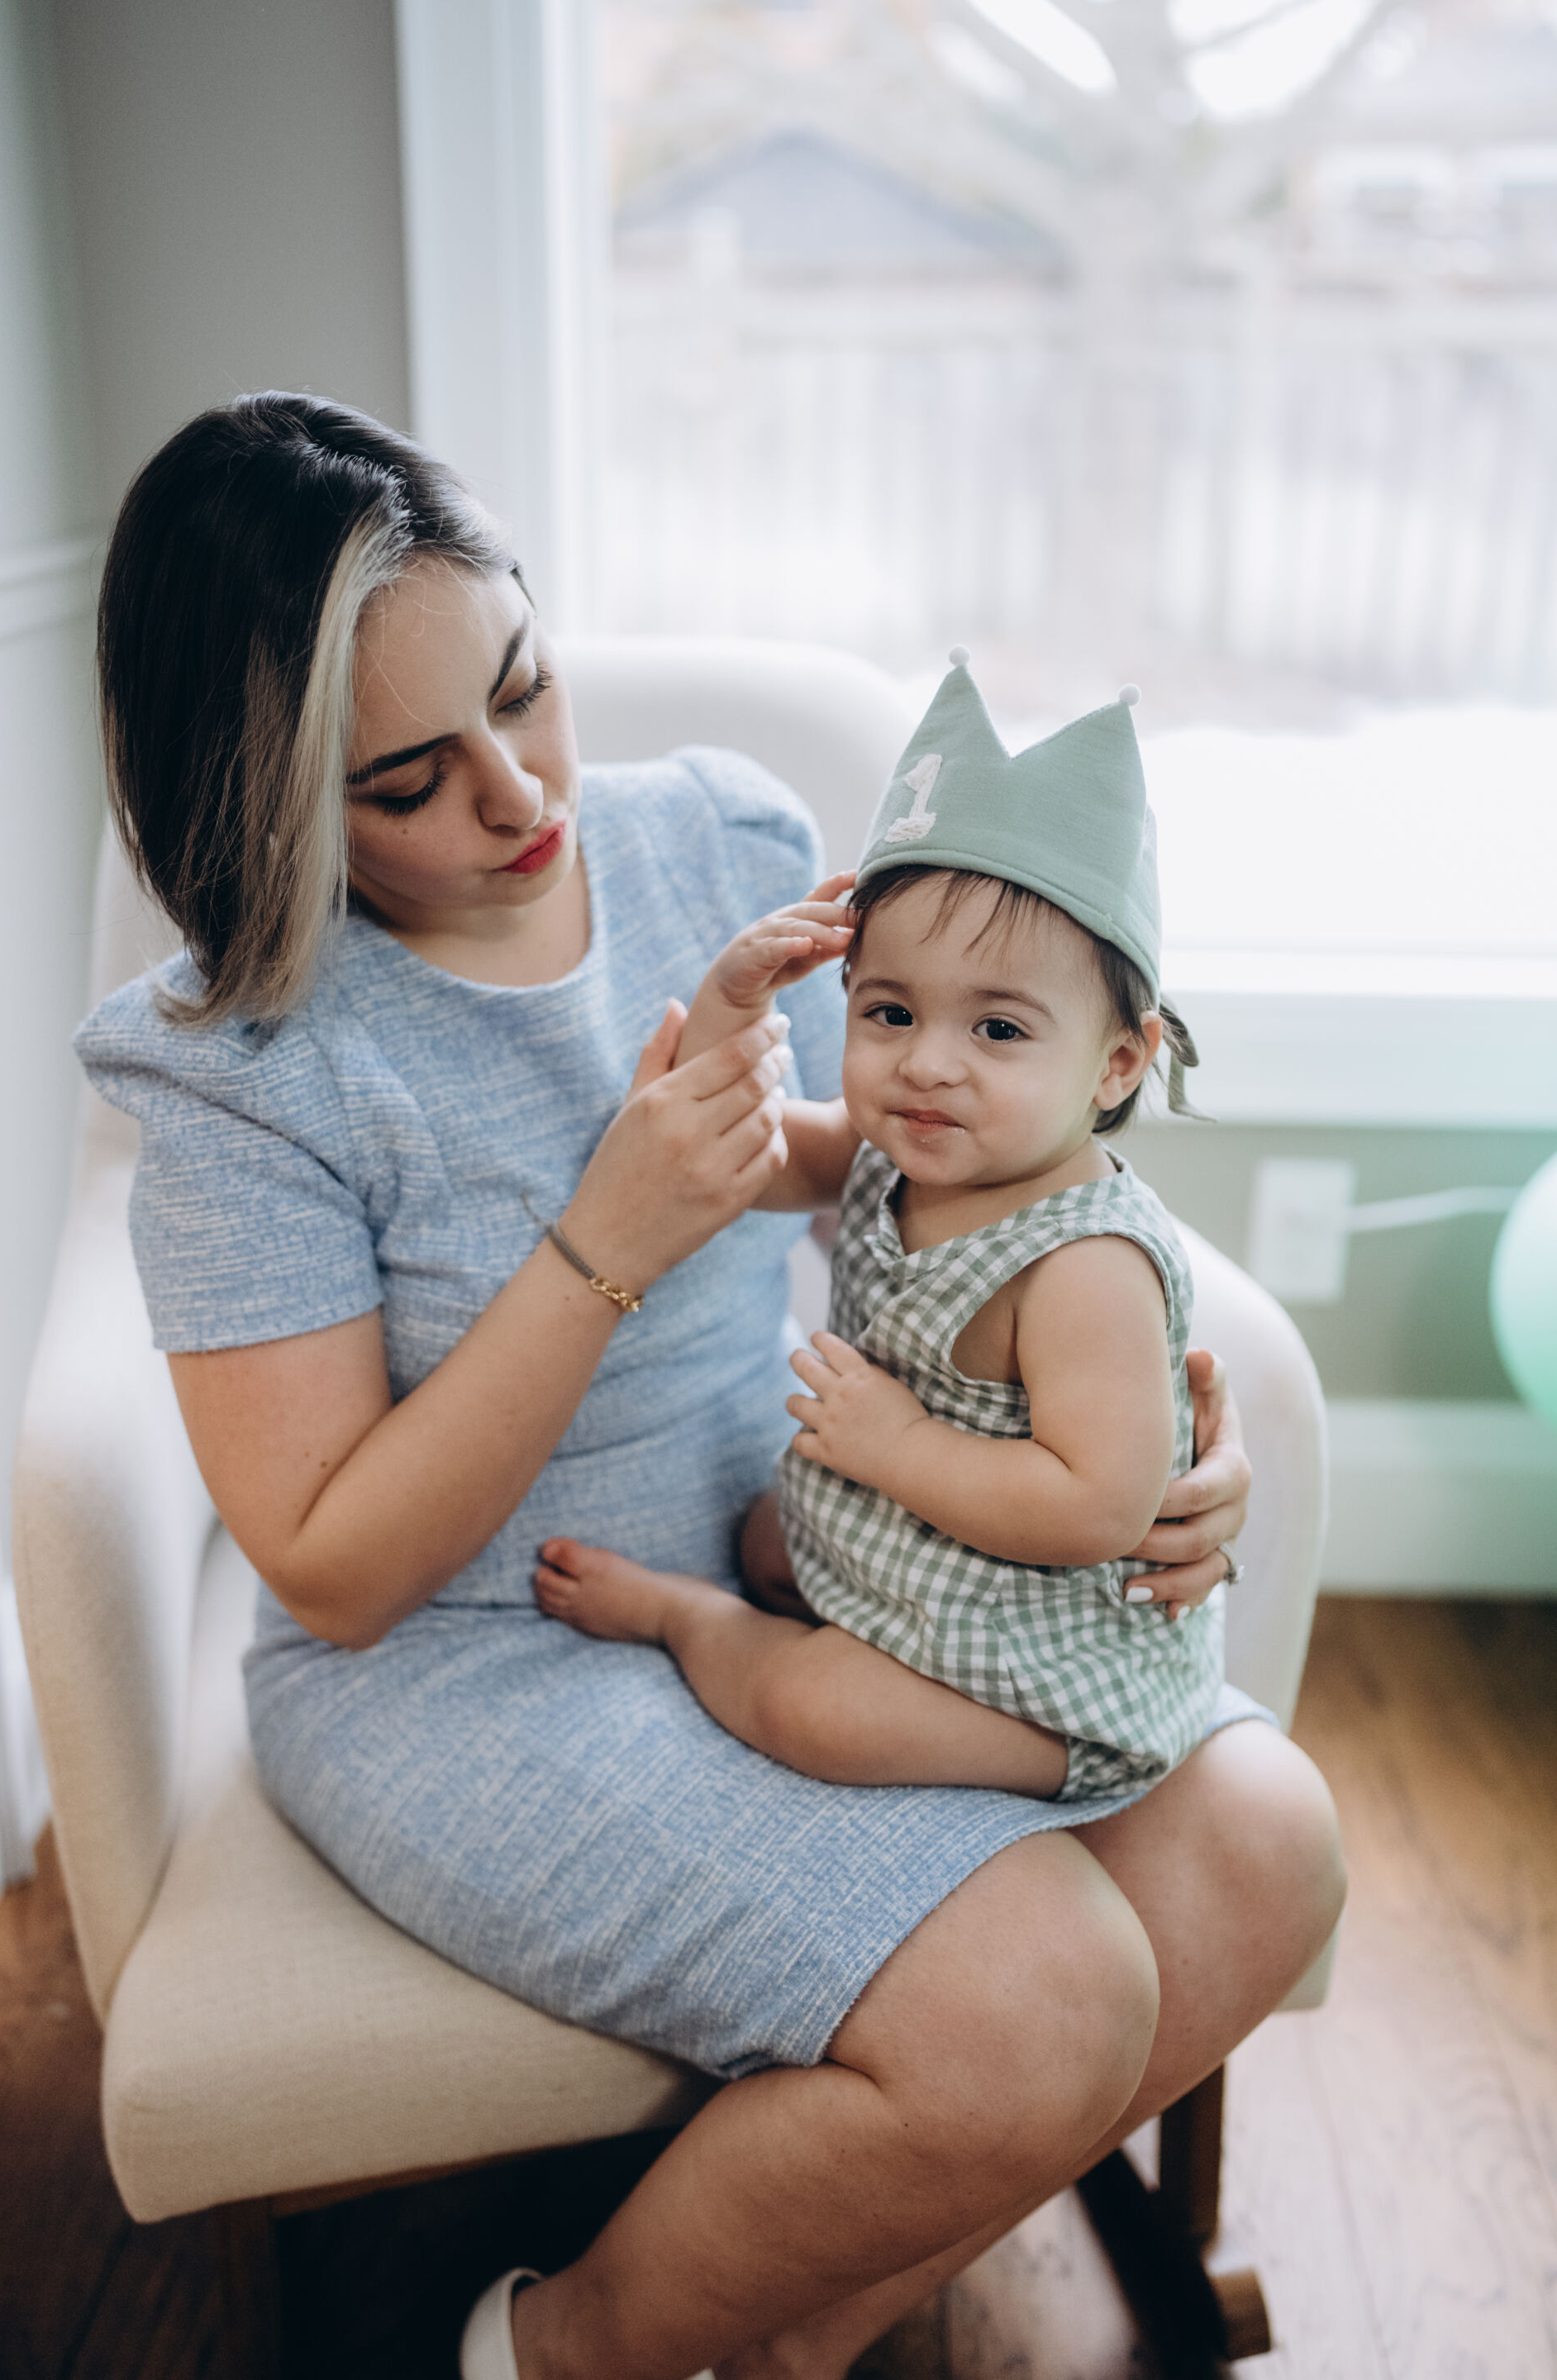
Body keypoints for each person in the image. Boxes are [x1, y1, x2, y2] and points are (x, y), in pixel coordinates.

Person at [75, 393, 1344, 2380]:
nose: (519, 794)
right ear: (276, 811)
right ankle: (558, 2351)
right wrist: (609, 1238)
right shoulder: (248, 1069)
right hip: (471, 1655)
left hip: (814, 1536)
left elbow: (966, 1179)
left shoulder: (721, 845)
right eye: (408, 779)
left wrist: (1172, 1433)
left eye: (524, 687)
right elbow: (335, 1572)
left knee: (1267, 1841)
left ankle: (797, 2329)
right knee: (1041, 1997)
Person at [536, 663, 1232, 1809]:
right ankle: (795, 1600)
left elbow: (1096, 1510)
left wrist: (898, 1446)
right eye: (891, 1012)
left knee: (818, 1711)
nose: (928, 1062)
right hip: (908, 1532)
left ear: (1117, 1063)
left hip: (1040, 1648)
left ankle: (685, 1620)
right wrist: (735, 1002)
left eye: (999, 1029)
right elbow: (736, 1151)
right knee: (770, 1540)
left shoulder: (1086, 1266)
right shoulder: (890, 1148)